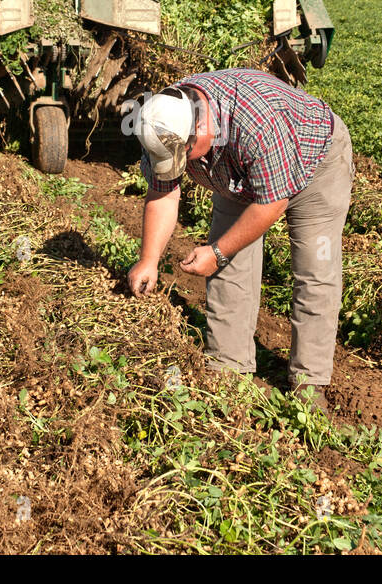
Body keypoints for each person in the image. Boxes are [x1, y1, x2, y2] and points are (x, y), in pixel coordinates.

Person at [126, 68, 354, 415]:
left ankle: (309, 384)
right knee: (229, 269)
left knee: (315, 270)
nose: (181, 165)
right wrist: (149, 259)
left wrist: (217, 251)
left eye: (184, 157)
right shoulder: (162, 123)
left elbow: (270, 203)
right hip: (234, 173)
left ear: (200, 130)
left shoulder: (257, 123)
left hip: (314, 165)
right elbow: (163, 193)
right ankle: (228, 371)